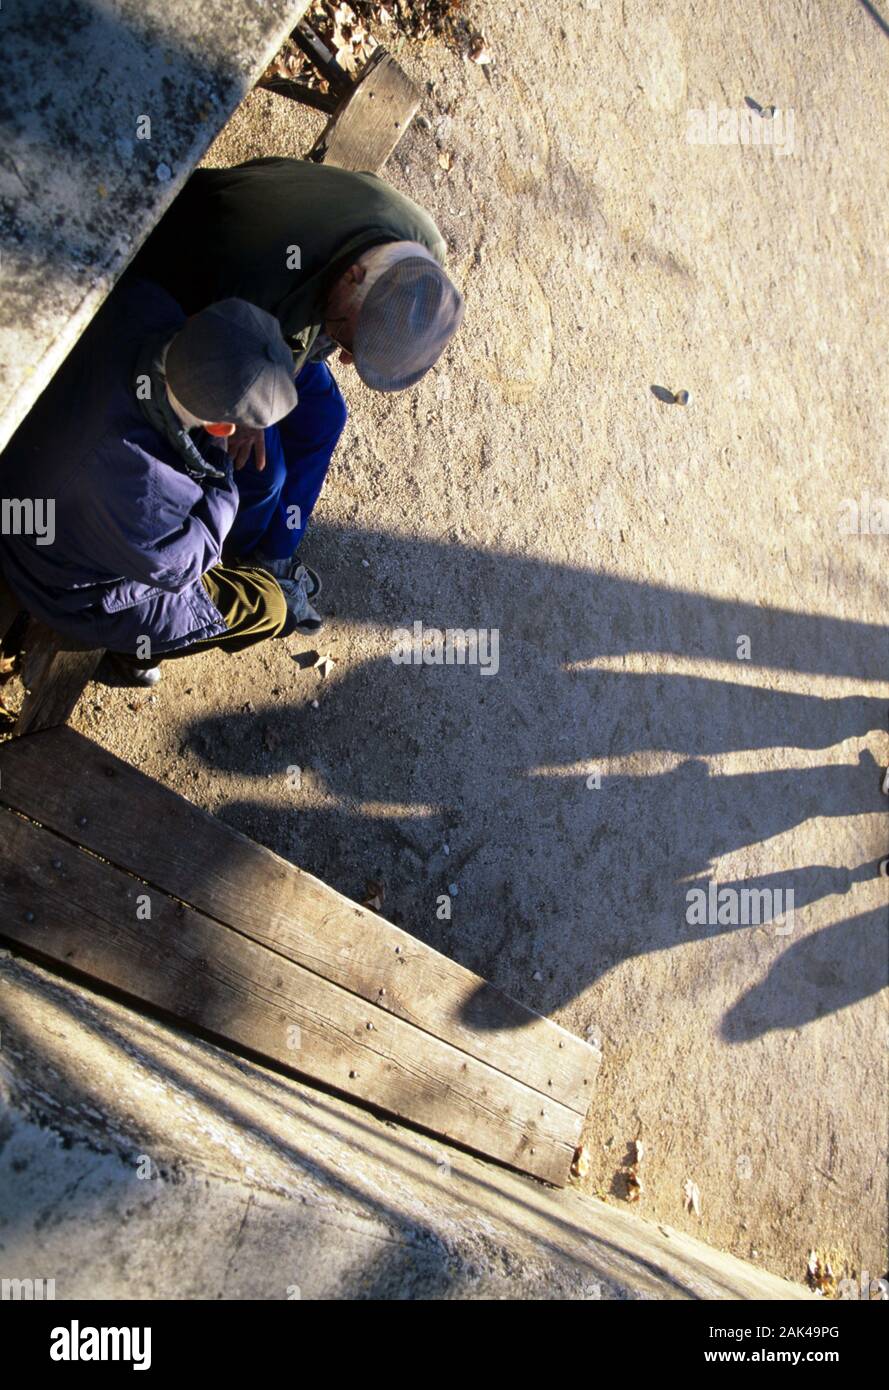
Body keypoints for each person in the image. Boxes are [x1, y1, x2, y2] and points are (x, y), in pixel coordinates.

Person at [133, 157, 465, 618]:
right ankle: (236, 560)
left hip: (285, 328)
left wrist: (330, 334)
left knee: (327, 415)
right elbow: (217, 346)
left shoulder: (419, 252)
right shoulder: (259, 271)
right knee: (262, 476)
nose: (345, 357)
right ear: (354, 276)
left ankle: (272, 557)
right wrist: (248, 418)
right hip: (215, 321)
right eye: (349, 339)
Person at [0, 281, 318, 686]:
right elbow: (190, 562)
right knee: (269, 607)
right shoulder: (148, 497)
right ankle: (128, 657)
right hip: (51, 577)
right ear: (222, 426)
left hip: (30, 491)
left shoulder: (142, 301)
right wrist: (220, 461)